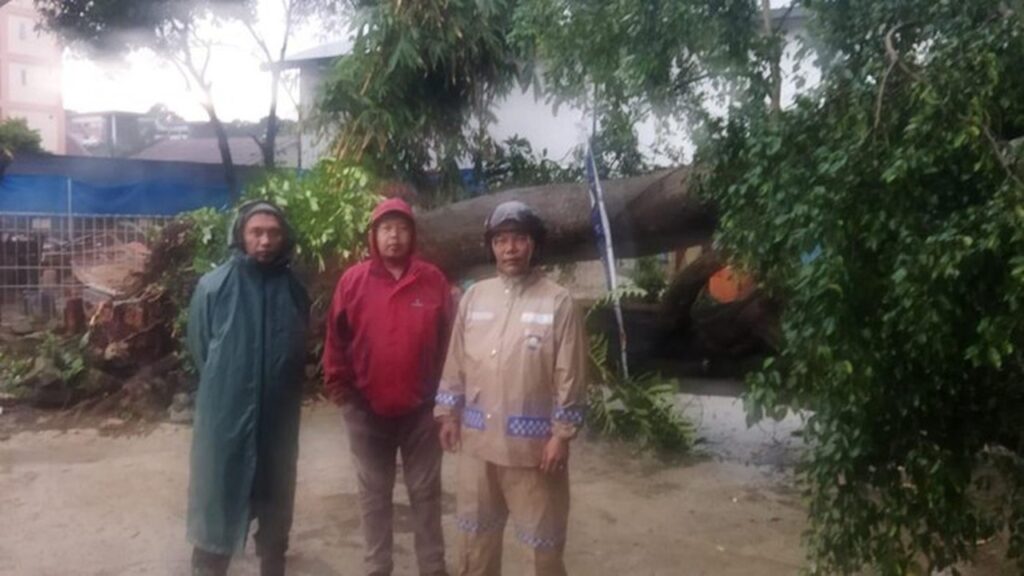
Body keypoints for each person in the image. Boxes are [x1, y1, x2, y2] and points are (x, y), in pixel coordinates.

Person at [435, 201, 588, 576]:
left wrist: (561, 436)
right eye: (501, 240)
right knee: (475, 544)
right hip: (477, 445)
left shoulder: (558, 301)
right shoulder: (475, 297)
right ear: (492, 246)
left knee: (541, 550)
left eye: (519, 239)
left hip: (533, 451)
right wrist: (448, 414)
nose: (510, 249)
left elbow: (570, 374)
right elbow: (456, 360)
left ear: (534, 244)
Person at [323, 197, 453, 576]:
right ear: (374, 236)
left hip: (422, 412)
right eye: (386, 229)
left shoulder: (432, 281)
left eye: (401, 228)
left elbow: (450, 344)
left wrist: (447, 400)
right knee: (374, 495)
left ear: (412, 235)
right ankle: (377, 567)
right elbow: (335, 340)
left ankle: (433, 567)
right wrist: (343, 393)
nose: (394, 237)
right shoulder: (353, 282)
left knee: (425, 493)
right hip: (366, 412)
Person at [186, 201, 310, 576]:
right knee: (216, 513)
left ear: (284, 237)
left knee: (275, 518)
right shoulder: (213, 287)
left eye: (273, 233)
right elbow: (201, 350)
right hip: (225, 424)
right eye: (256, 232)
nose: (265, 241)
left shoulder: (294, 291)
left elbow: (298, 350)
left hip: (278, 427)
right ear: (241, 234)